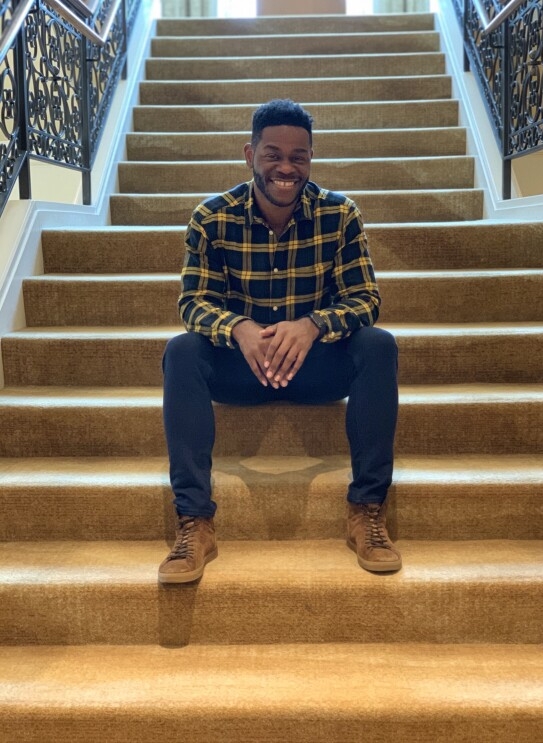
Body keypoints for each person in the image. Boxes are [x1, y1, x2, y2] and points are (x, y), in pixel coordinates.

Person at [159, 99, 400, 584]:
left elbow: (364, 298)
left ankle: (367, 512)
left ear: (311, 158)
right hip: (240, 369)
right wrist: (239, 328)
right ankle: (195, 521)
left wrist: (312, 325)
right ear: (250, 154)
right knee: (181, 351)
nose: (286, 167)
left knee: (378, 345)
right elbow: (193, 303)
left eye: (299, 156)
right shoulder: (212, 217)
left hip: (315, 368)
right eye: (273, 154)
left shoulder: (340, 214)